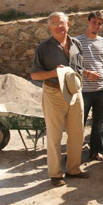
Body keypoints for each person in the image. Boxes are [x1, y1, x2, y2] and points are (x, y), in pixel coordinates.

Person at [31, 12, 88, 187]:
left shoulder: (76, 44)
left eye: (61, 23)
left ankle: (74, 169)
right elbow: (35, 75)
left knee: (77, 133)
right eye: (54, 23)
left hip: (75, 93)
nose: (58, 26)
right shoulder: (43, 48)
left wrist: (87, 73)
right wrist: (54, 72)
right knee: (55, 136)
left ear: (68, 24)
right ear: (49, 28)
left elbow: (79, 68)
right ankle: (55, 174)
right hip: (54, 93)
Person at [76, 11, 103, 162]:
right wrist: (87, 73)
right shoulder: (77, 42)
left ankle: (96, 151)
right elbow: (72, 64)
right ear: (88, 21)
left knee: (99, 122)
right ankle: (74, 153)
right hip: (83, 90)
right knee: (79, 123)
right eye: (94, 22)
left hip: (102, 90)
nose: (96, 26)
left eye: (99, 24)